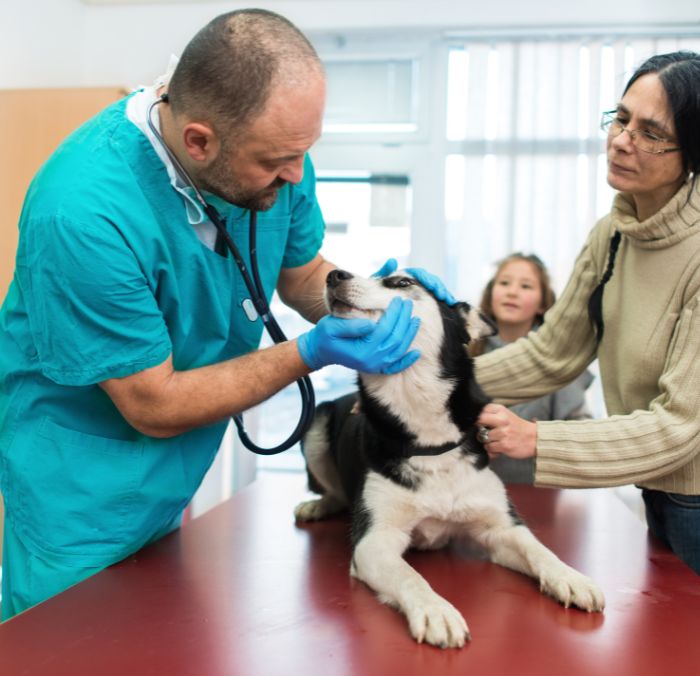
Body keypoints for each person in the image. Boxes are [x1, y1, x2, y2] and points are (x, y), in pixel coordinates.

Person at [0, 9, 449, 620]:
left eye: (304, 154)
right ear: (199, 141)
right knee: (67, 659)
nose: (295, 175)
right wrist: (310, 352)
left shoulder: (274, 153)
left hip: (174, 477)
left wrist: (366, 302)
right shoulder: (81, 213)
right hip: (80, 494)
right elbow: (152, 404)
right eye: (277, 163)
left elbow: (301, 275)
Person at [474, 51, 700, 574]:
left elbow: (680, 428)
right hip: (657, 487)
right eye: (621, 119)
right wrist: (428, 381)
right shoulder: (614, 234)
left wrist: (537, 439)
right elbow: (553, 353)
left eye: (650, 132)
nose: (622, 140)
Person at [470, 253, 593, 483]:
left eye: (526, 286)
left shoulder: (559, 361)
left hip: (538, 495)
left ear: (543, 304)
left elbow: (581, 428)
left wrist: (542, 437)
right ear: (491, 294)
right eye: (504, 283)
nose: (512, 291)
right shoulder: (465, 354)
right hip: (467, 494)